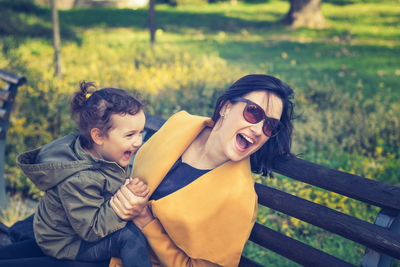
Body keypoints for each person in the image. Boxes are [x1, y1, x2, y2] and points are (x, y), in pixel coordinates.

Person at [110, 74, 295, 267]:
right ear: (226, 106)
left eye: (269, 126)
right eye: (253, 113)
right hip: (106, 238)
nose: (258, 130)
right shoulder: (181, 125)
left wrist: (145, 219)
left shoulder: (240, 200)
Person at [0, 82, 152, 267]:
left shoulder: (107, 154)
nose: (138, 142)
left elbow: (108, 184)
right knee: (129, 237)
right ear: (98, 137)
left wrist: (128, 187)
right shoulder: (79, 179)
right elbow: (92, 229)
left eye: (140, 133)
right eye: (130, 135)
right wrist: (123, 206)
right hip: (68, 243)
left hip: (76, 225)